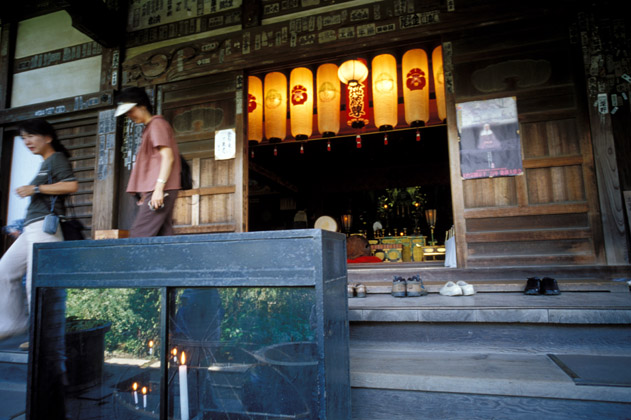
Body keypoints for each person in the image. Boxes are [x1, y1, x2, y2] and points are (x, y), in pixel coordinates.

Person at [0, 118, 78, 340]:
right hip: (31, 228)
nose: (27, 141)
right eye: (24, 138)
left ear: (48, 137)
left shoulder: (56, 158)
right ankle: (14, 324)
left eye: (31, 136)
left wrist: (35, 188)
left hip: (45, 227)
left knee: (39, 282)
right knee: (4, 272)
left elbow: (72, 185)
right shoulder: (45, 163)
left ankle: (42, 336)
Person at [114, 87, 181, 237]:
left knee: (140, 235)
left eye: (131, 111)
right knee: (163, 235)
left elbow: (168, 157)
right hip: (160, 189)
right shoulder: (151, 127)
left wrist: (158, 189)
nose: (129, 116)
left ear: (142, 106)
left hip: (161, 189)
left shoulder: (157, 124)